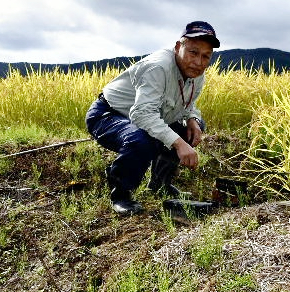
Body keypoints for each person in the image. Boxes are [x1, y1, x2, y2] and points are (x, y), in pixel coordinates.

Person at [85, 21, 220, 215]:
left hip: (143, 117)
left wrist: (193, 119)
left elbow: (187, 104)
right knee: (141, 139)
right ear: (178, 47)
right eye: (193, 52)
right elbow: (142, 115)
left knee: (190, 129)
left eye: (205, 56)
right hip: (108, 114)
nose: (198, 62)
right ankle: (121, 193)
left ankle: (159, 183)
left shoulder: (197, 73)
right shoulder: (158, 67)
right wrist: (179, 144)